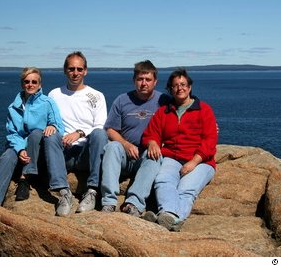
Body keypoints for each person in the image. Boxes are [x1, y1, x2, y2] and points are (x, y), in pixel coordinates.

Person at [141, 68, 218, 231]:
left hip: (201, 161)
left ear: (189, 87)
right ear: (171, 89)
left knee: (186, 189)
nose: (179, 88)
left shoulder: (204, 110)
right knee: (163, 181)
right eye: (175, 85)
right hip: (172, 157)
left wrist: (193, 162)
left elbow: (210, 141)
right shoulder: (164, 112)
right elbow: (150, 134)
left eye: (183, 84)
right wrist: (152, 142)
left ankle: (170, 218)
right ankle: (170, 217)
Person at [0, 67, 64, 206]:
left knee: (36, 133)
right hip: (20, 146)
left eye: (34, 81)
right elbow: (12, 133)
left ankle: (24, 179)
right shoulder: (13, 107)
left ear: (40, 84)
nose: (30, 84)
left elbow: (59, 127)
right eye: (27, 81)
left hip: (38, 149)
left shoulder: (47, 103)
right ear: (22, 84)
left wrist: (53, 126)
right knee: (8, 156)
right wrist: (20, 149)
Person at [100, 60, 168, 217]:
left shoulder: (164, 101)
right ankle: (109, 202)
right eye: (140, 79)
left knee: (155, 156)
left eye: (148, 80)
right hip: (125, 155)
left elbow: (184, 115)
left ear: (155, 82)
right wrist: (125, 144)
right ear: (134, 81)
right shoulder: (122, 100)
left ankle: (133, 204)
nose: (144, 83)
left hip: (145, 155)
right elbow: (110, 129)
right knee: (111, 147)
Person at [46, 51, 108, 217]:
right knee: (50, 135)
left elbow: (100, 125)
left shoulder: (96, 96)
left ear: (85, 71)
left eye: (79, 69)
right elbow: (48, 120)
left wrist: (79, 133)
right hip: (63, 152)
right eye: (71, 69)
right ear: (65, 70)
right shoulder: (54, 94)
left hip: (85, 154)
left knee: (100, 135)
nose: (75, 73)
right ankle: (64, 193)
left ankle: (92, 191)